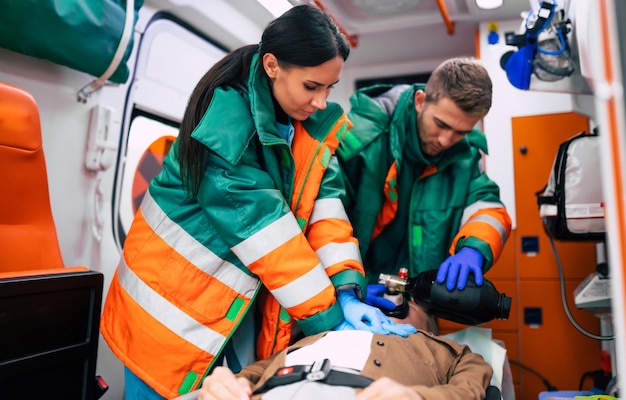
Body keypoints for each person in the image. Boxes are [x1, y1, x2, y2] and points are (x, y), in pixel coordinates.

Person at [100, 5, 414, 400]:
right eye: (311, 86)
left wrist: (348, 291)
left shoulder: (309, 128)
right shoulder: (225, 128)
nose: (321, 102)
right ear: (271, 66)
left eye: (330, 88)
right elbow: (269, 237)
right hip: (168, 306)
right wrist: (332, 320)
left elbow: (327, 215)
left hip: (228, 298)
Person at [336, 58, 512, 315]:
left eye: (461, 132)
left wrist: (474, 249)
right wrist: (346, 288)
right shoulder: (361, 138)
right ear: (420, 101)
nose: (446, 140)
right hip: (351, 296)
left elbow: (487, 208)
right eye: (441, 124)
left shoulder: (464, 157)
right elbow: (323, 219)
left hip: (417, 303)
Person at [197, 305, 492, 400]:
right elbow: (257, 371)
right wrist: (224, 382)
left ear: (428, 327)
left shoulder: (441, 348)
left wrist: (419, 397)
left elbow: (471, 385)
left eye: (405, 307)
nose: (386, 309)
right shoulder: (316, 337)